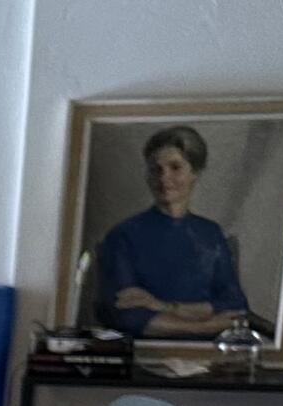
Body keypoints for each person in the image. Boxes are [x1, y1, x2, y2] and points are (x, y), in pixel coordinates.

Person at [91, 125, 254, 339]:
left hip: (210, 358)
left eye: (175, 167)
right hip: (145, 353)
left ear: (194, 173)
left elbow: (235, 306)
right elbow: (125, 315)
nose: (164, 178)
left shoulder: (210, 234)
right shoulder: (124, 235)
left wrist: (161, 306)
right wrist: (204, 325)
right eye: (155, 169)